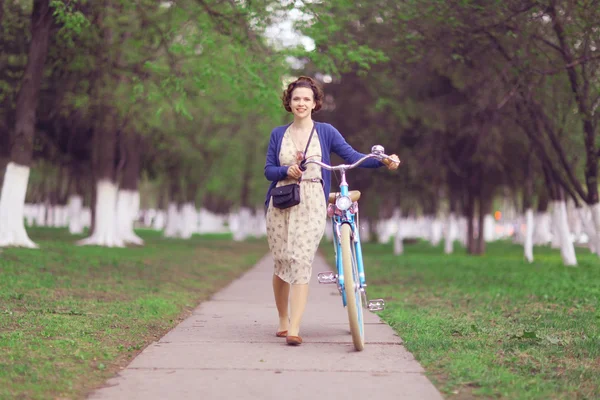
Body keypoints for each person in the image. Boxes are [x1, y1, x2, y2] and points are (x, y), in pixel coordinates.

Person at [264, 76, 399, 346]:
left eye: (306, 99)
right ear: (289, 104)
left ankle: (295, 328)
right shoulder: (278, 134)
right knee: (282, 263)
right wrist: (285, 170)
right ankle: (283, 319)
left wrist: (383, 161)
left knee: (301, 260)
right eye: (296, 99)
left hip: (313, 200)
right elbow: (268, 170)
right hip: (281, 201)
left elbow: (351, 156)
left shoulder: (326, 132)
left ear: (315, 104)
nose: (301, 103)